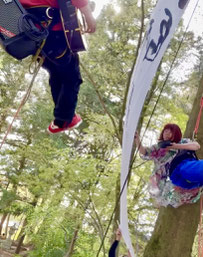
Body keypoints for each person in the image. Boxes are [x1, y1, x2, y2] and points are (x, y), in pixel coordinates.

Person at [19, 0, 96, 134]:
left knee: (57, 74)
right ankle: (64, 119)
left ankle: (64, 118)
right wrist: (88, 15)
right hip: (54, 37)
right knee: (71, 77)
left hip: (32, 38)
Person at [134, 123, 203, 208]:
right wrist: (137, 139)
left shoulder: (182, 142)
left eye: (170, 132)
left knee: (189, 170)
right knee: (186, 174)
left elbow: (196, 146)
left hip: (185, 169)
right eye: (165, 131)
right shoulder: (159, 148)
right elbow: (144, 151)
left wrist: (175, 146)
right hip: (176, 181)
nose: (167, 133)